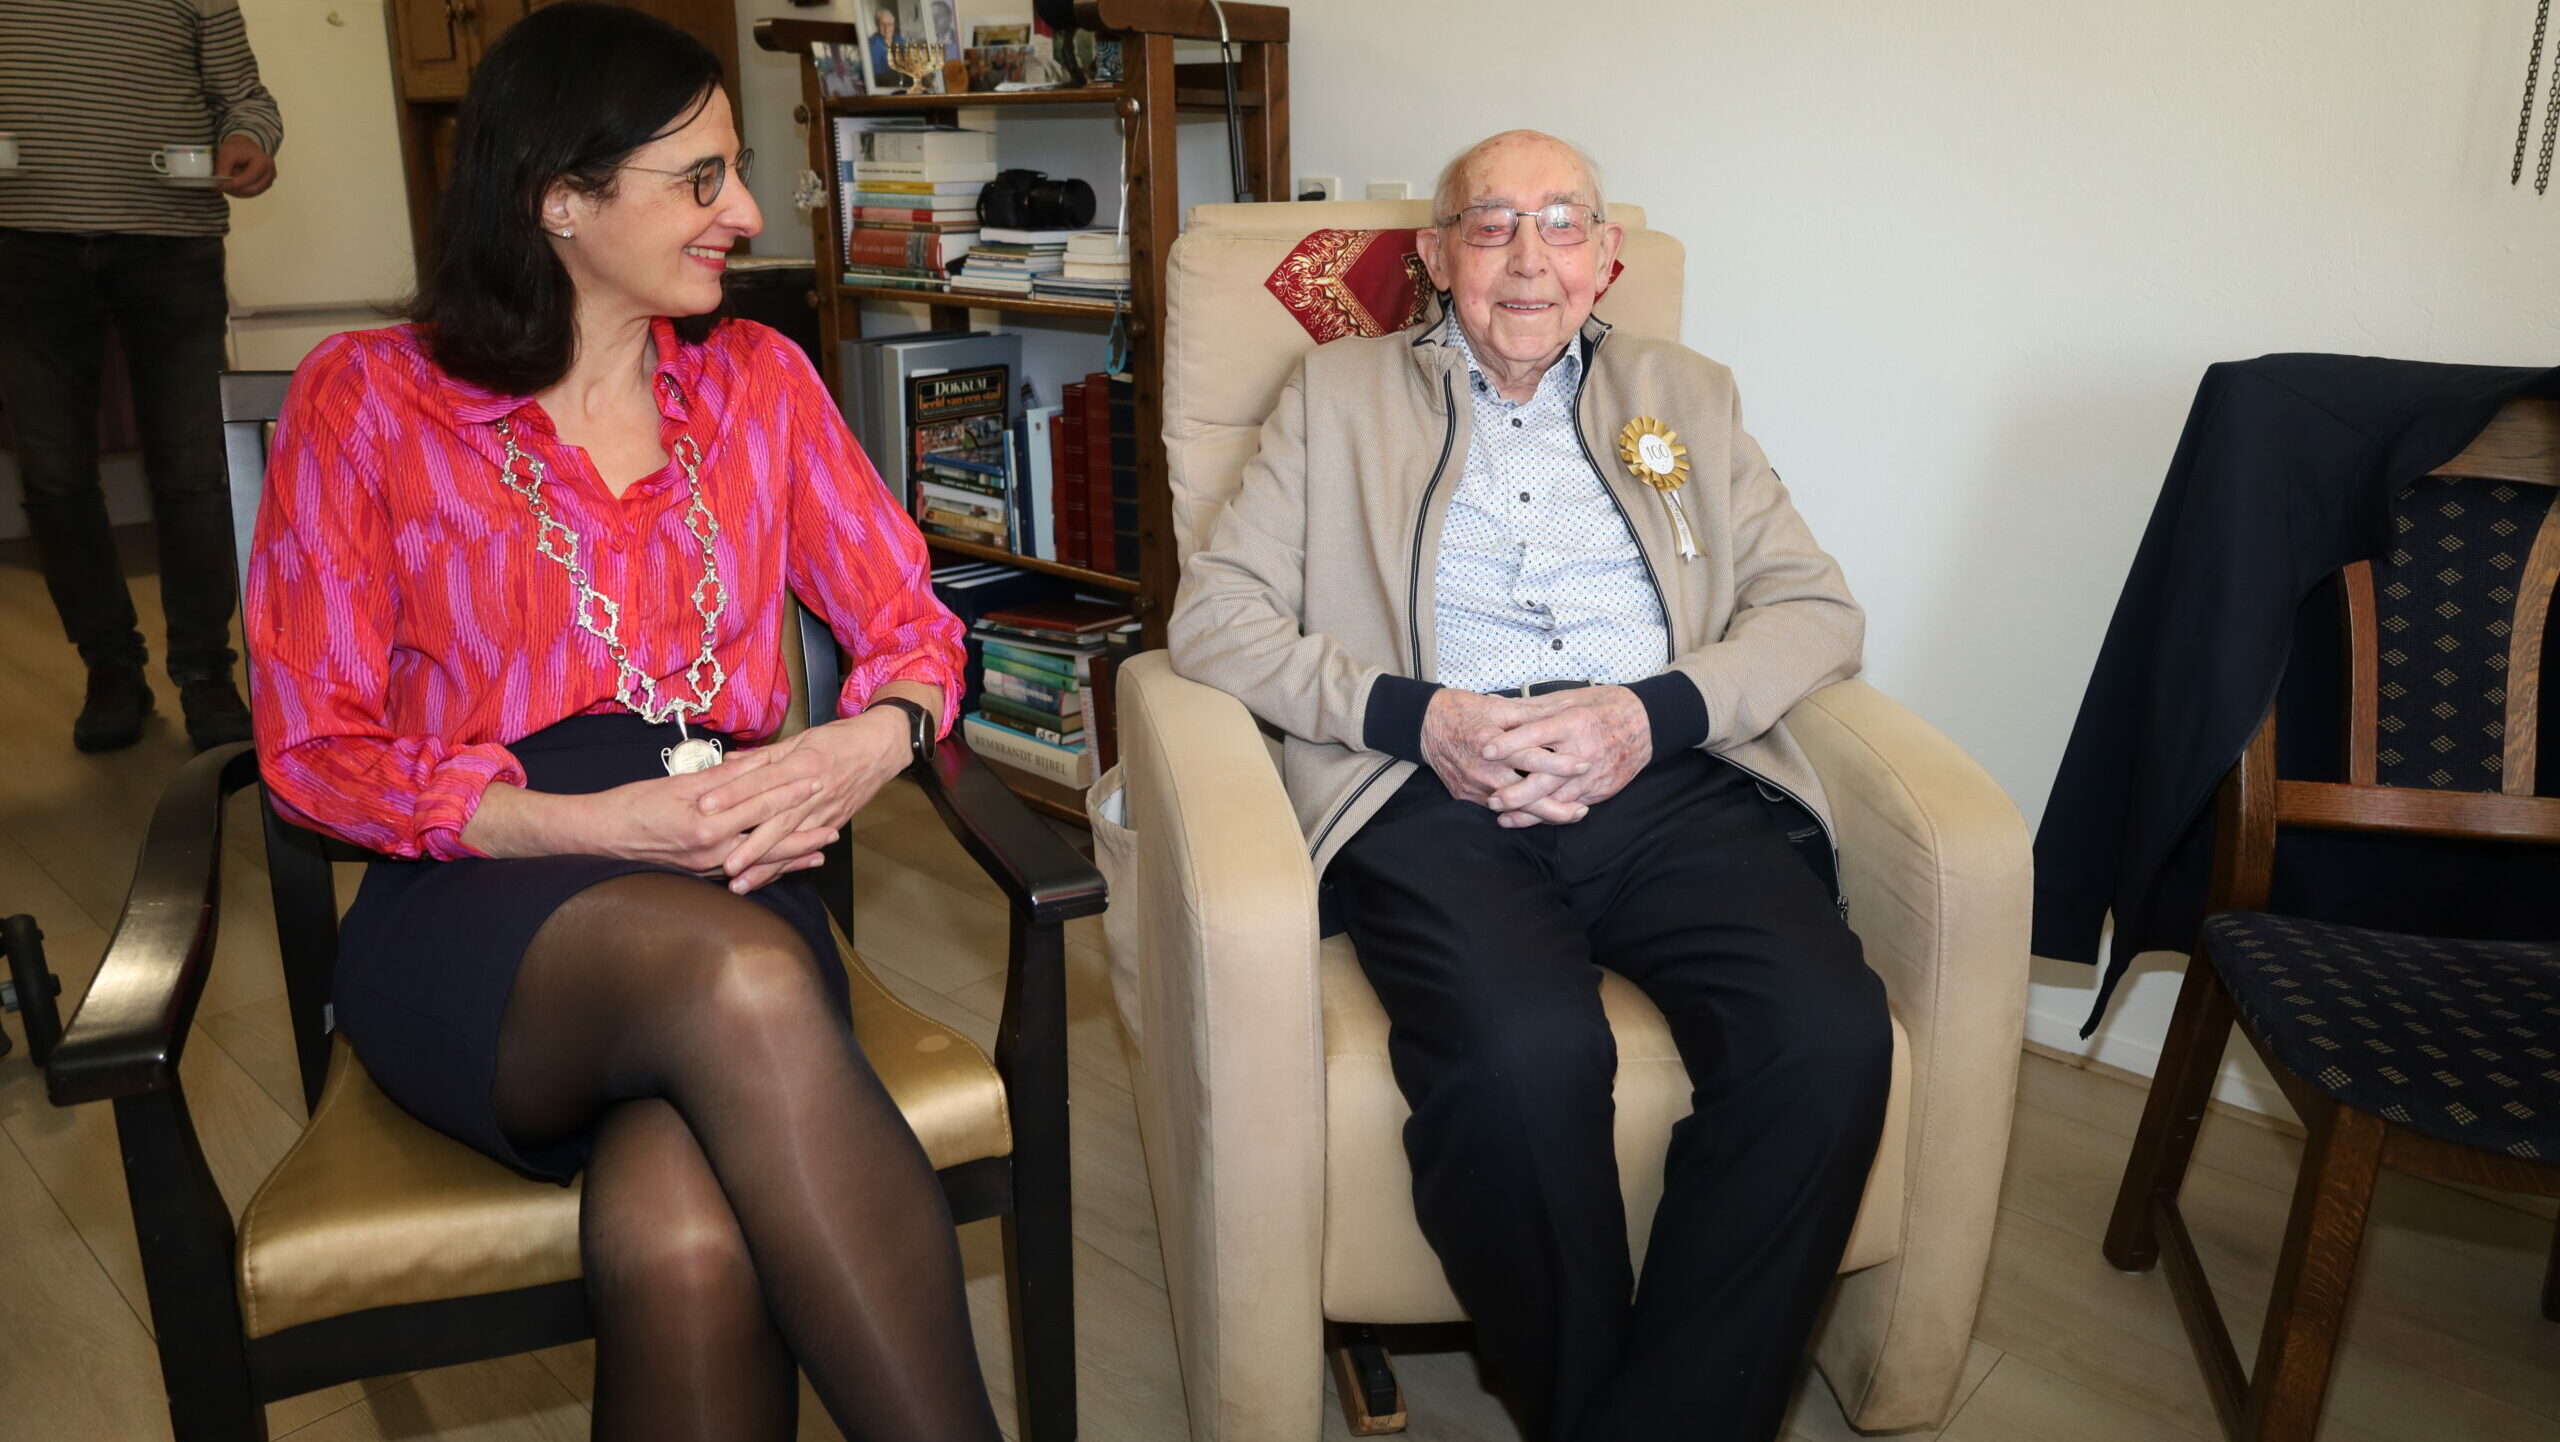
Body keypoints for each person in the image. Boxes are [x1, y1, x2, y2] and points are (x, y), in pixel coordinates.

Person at [244, 7, 999, 1439]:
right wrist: (586, 824)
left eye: (737, 172)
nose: (748, 212)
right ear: (561, 198)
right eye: (701, 177)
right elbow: (311, 750)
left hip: (724, 853)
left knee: (688, 1240)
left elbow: (914, 625)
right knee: (741, 983)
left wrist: (873, 737)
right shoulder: (372, 399)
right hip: (479, 885)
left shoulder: (757, 381)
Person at [1168, 129, 1891, 1442]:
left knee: (1825, 1036)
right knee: (1519, 1056)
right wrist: (1420, 716)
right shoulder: (1335, 396)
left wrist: (1650, 714)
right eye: (1490, 223)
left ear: (1604, 259)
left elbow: (1815, 610)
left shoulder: (1686, 395)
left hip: (1659, 771)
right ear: (1436, 256)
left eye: (1562, 222)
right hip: (1428, 783)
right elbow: (1214, 620)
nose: (1526, 256)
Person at [0, 0, 278, 752]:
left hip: (172, 243)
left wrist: (249, 140)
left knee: (193, 471)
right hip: (23, 245)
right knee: (54, 476)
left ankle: (206, 671)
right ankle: (111, 669)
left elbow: (245, 100)